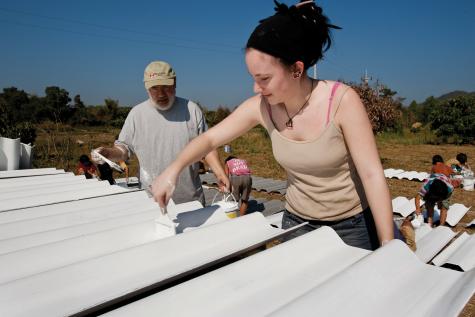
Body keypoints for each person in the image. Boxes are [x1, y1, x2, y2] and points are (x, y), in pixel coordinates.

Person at [151, 0, 394, 250]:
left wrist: (388, 242)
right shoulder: (262, 107)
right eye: (253, 78)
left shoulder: (342, 101)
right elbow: (209, 140)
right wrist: (173, 170)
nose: (256, 88)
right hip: (296, 222)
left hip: (351, 226)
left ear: (297, 69)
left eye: (264, 79)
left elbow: (372, 174)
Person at [93, 61, 228, 205]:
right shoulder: (137, 114)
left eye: (166, 87)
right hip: (151, 200)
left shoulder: (191, 110)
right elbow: (124, 149)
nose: (161, 94)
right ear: (146, 88)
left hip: (190, 200)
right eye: (155, 88)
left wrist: (220, 173)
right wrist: (108, 153)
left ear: (175, 83)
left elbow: (207, 147)